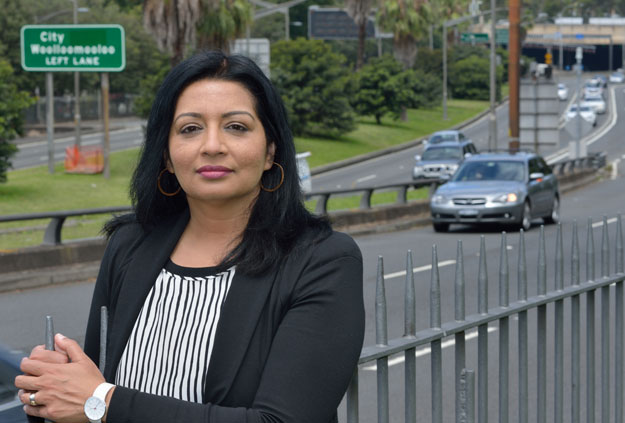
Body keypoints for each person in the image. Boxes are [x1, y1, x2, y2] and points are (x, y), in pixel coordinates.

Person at [15, 51, 365, 423]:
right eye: (190, 128)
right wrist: (53, 394)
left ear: (270, 152)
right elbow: (89, 399)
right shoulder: (130, 246)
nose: (212, 145)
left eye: (236, 127)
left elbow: (281, 420)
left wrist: (102, 400)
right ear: (166, 155)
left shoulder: (322, 260)